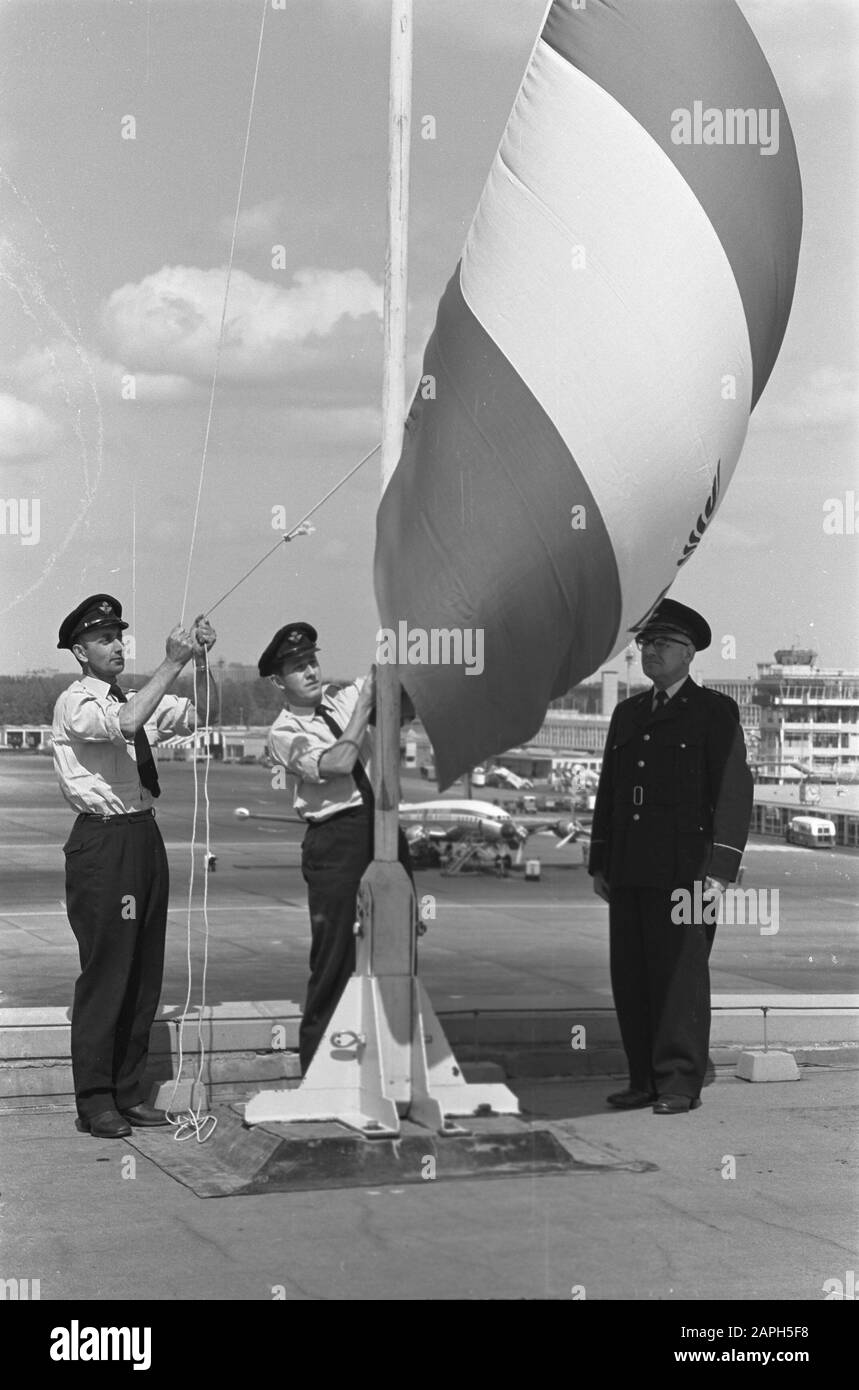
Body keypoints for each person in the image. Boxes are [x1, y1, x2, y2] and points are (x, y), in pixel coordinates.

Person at [52, 594, 217, 1138]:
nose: (117, 645)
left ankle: (127, 1092)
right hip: (103, 845)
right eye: (104, 639)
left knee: (144, 972)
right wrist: (170, 662)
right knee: (108, 972)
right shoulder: (77, 702)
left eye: (120, 635)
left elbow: (200, 714)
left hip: (142, 837)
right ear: (80, 651)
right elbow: (126, 723)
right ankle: (95, 1101)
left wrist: (197, 661)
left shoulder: (134, 695)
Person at [588, 599, 753, 1114]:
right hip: (631, 869)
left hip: (689, 874)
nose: (649, 652)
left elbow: (733, 792)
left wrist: (721, 872)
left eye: (660, 644)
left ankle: (680, 1082)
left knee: (680, 978)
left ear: (688, 653)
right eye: (645, 644)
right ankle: (643, 1080)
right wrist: (600, 862)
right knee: (632, 975)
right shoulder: (628, 713)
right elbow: (610, 791)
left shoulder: (713, 712)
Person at [260, 623, 414, 1073]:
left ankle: (390, 1066)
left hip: (382, 825)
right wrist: (365, 705)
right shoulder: (285, 731)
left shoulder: (344, 697)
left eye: (312, 661)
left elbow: (398, 686)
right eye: (296, 667)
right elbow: (340, 763)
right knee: (335, 958)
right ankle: (321, 1072)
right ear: (278, 680)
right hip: (336, 839)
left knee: (398, 944)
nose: (309, 671)